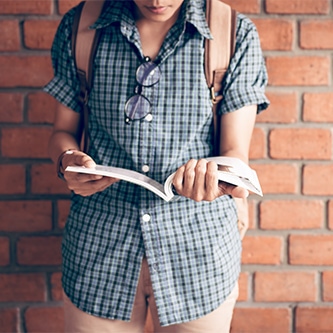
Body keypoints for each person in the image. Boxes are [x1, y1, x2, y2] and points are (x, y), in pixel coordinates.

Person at [44, 0, 269, 332]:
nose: (157, 1)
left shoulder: (234, 33)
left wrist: (217, 181)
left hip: (198, 254)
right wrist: (68, 162)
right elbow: (62, 132)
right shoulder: (80, 28)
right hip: (99, 250)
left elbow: (235, 152)